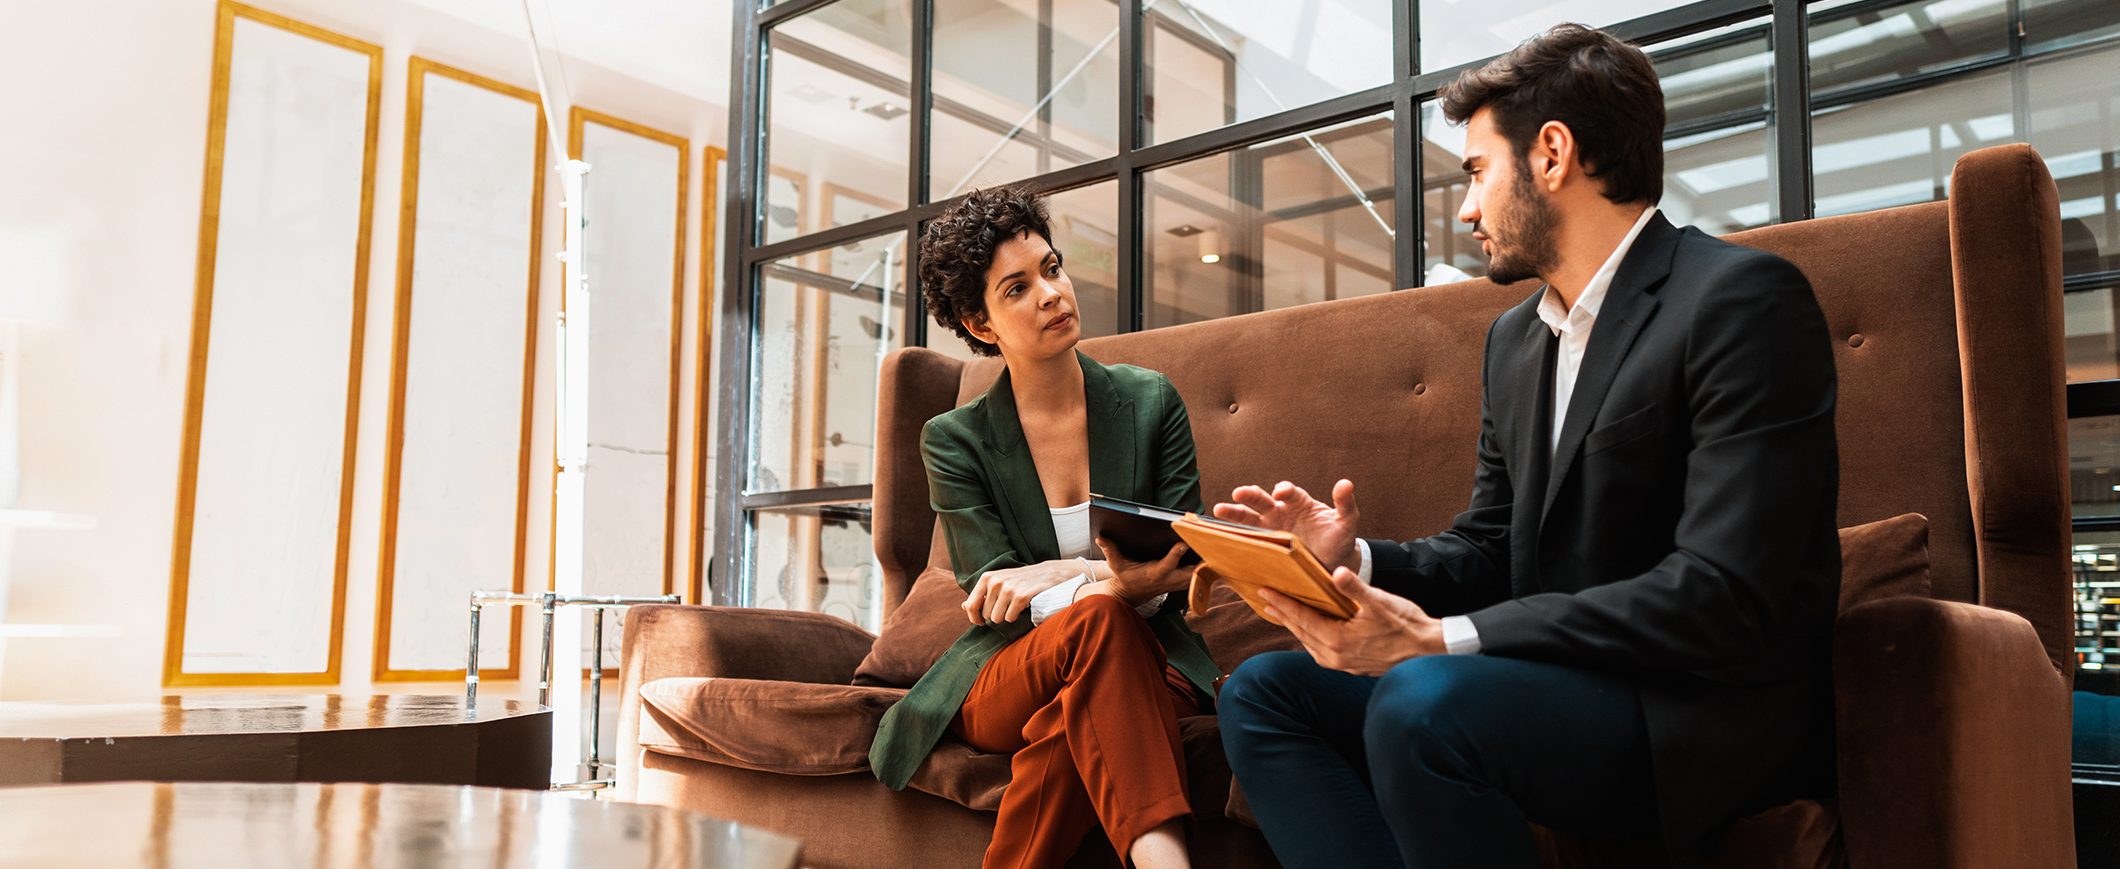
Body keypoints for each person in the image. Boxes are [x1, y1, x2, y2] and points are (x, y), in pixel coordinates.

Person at [1214, 23, 1841, 868]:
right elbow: (1489, 546)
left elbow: (1721, 593)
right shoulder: (1516, 341)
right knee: (1263, 692)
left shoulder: (1742, 301)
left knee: (1418, 701)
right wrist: (1353, 556)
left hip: (1691, 711)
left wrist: (1441, 640)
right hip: (1549, 684)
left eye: (1477, 172)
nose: (1467, 208)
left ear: (1552, 154)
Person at [867, 185, 1221, 869]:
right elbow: (999, 593)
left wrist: (1075, 574)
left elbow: (1186, 558)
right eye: (1017, 289)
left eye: (1052, 269)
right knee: (1100, 622)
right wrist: (1113, 584)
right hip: (1007, 667)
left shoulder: (1151, 403)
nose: (1052, 294)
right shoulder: (954, 439)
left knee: (1080, 698)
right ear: (980, 323)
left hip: (1153, 660)